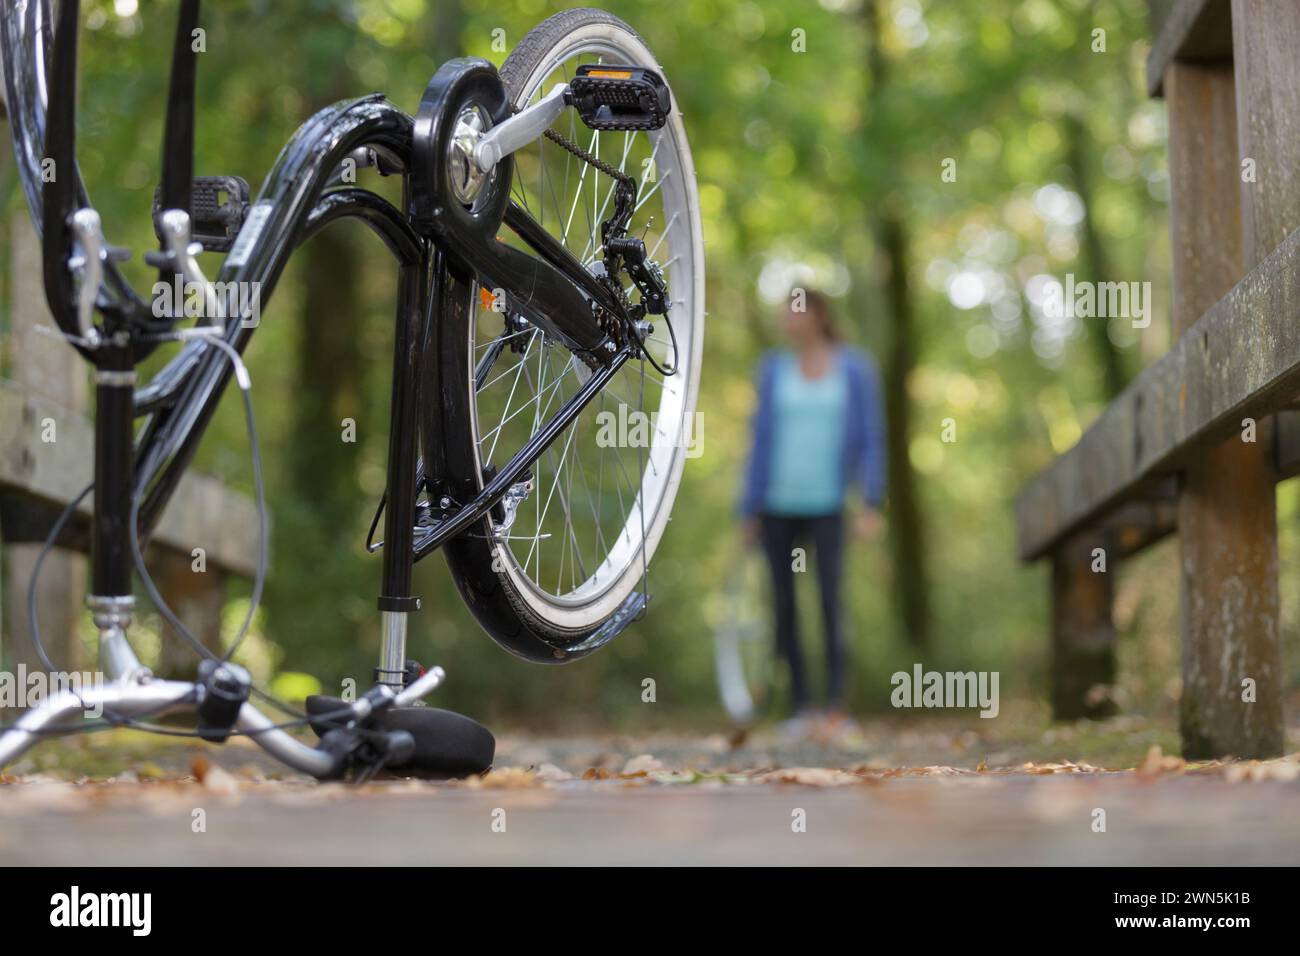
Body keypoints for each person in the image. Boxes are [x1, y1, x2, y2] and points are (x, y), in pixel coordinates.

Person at [739, 289, 887, 729]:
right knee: (783, 606)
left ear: (818, 314)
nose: (786, 317)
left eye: (794, 309)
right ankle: (801, 706)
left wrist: (871, 501)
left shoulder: (856, 368)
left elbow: (871, 438)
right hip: (776, 506)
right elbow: (759, 440)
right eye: (784, 310)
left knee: (830, 600)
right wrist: (749, 508)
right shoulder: (771, 370)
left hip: (829, 505)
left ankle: (837, 707)